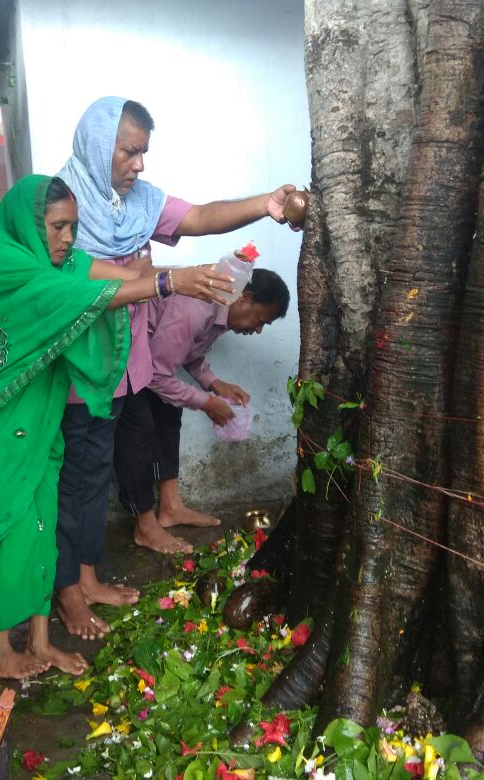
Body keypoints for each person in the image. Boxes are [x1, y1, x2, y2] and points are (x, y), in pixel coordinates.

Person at [0, 174, 231, 679]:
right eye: (57, 227)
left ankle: (38, 641)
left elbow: (106, 275)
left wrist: (179, 275)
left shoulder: (55, 260)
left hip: (37, 413)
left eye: (72, 228)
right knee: (13, 528)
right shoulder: (0, 260)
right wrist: (166, 283)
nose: (66, 239)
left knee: (43, 520)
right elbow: (77, 297)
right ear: (31, 224)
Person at [53, 95, 301, 640]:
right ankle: (70, 593)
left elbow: (200, 217)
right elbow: (77, 282)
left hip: (125, 363)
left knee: (95, 478)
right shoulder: (64, 209)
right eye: (128, 151)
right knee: (77, 481)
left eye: (143, 153)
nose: (139, 164)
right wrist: (167, 280)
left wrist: (266, 203)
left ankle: (87, 579)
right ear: (98, 146)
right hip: (77, 368)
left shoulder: (136, 204)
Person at [116, 269, 289, 544]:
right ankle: (144, 526)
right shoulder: (195, 309)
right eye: (260, 320)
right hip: (122, 356)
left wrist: (215, 384)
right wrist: (208, 403)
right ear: (244, 298)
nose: (256, 330)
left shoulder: (219, 313)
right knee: (139, 428)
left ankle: (171, 507)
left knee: (170, 410)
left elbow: (186, 352)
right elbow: (158, 375)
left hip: (148, 358)